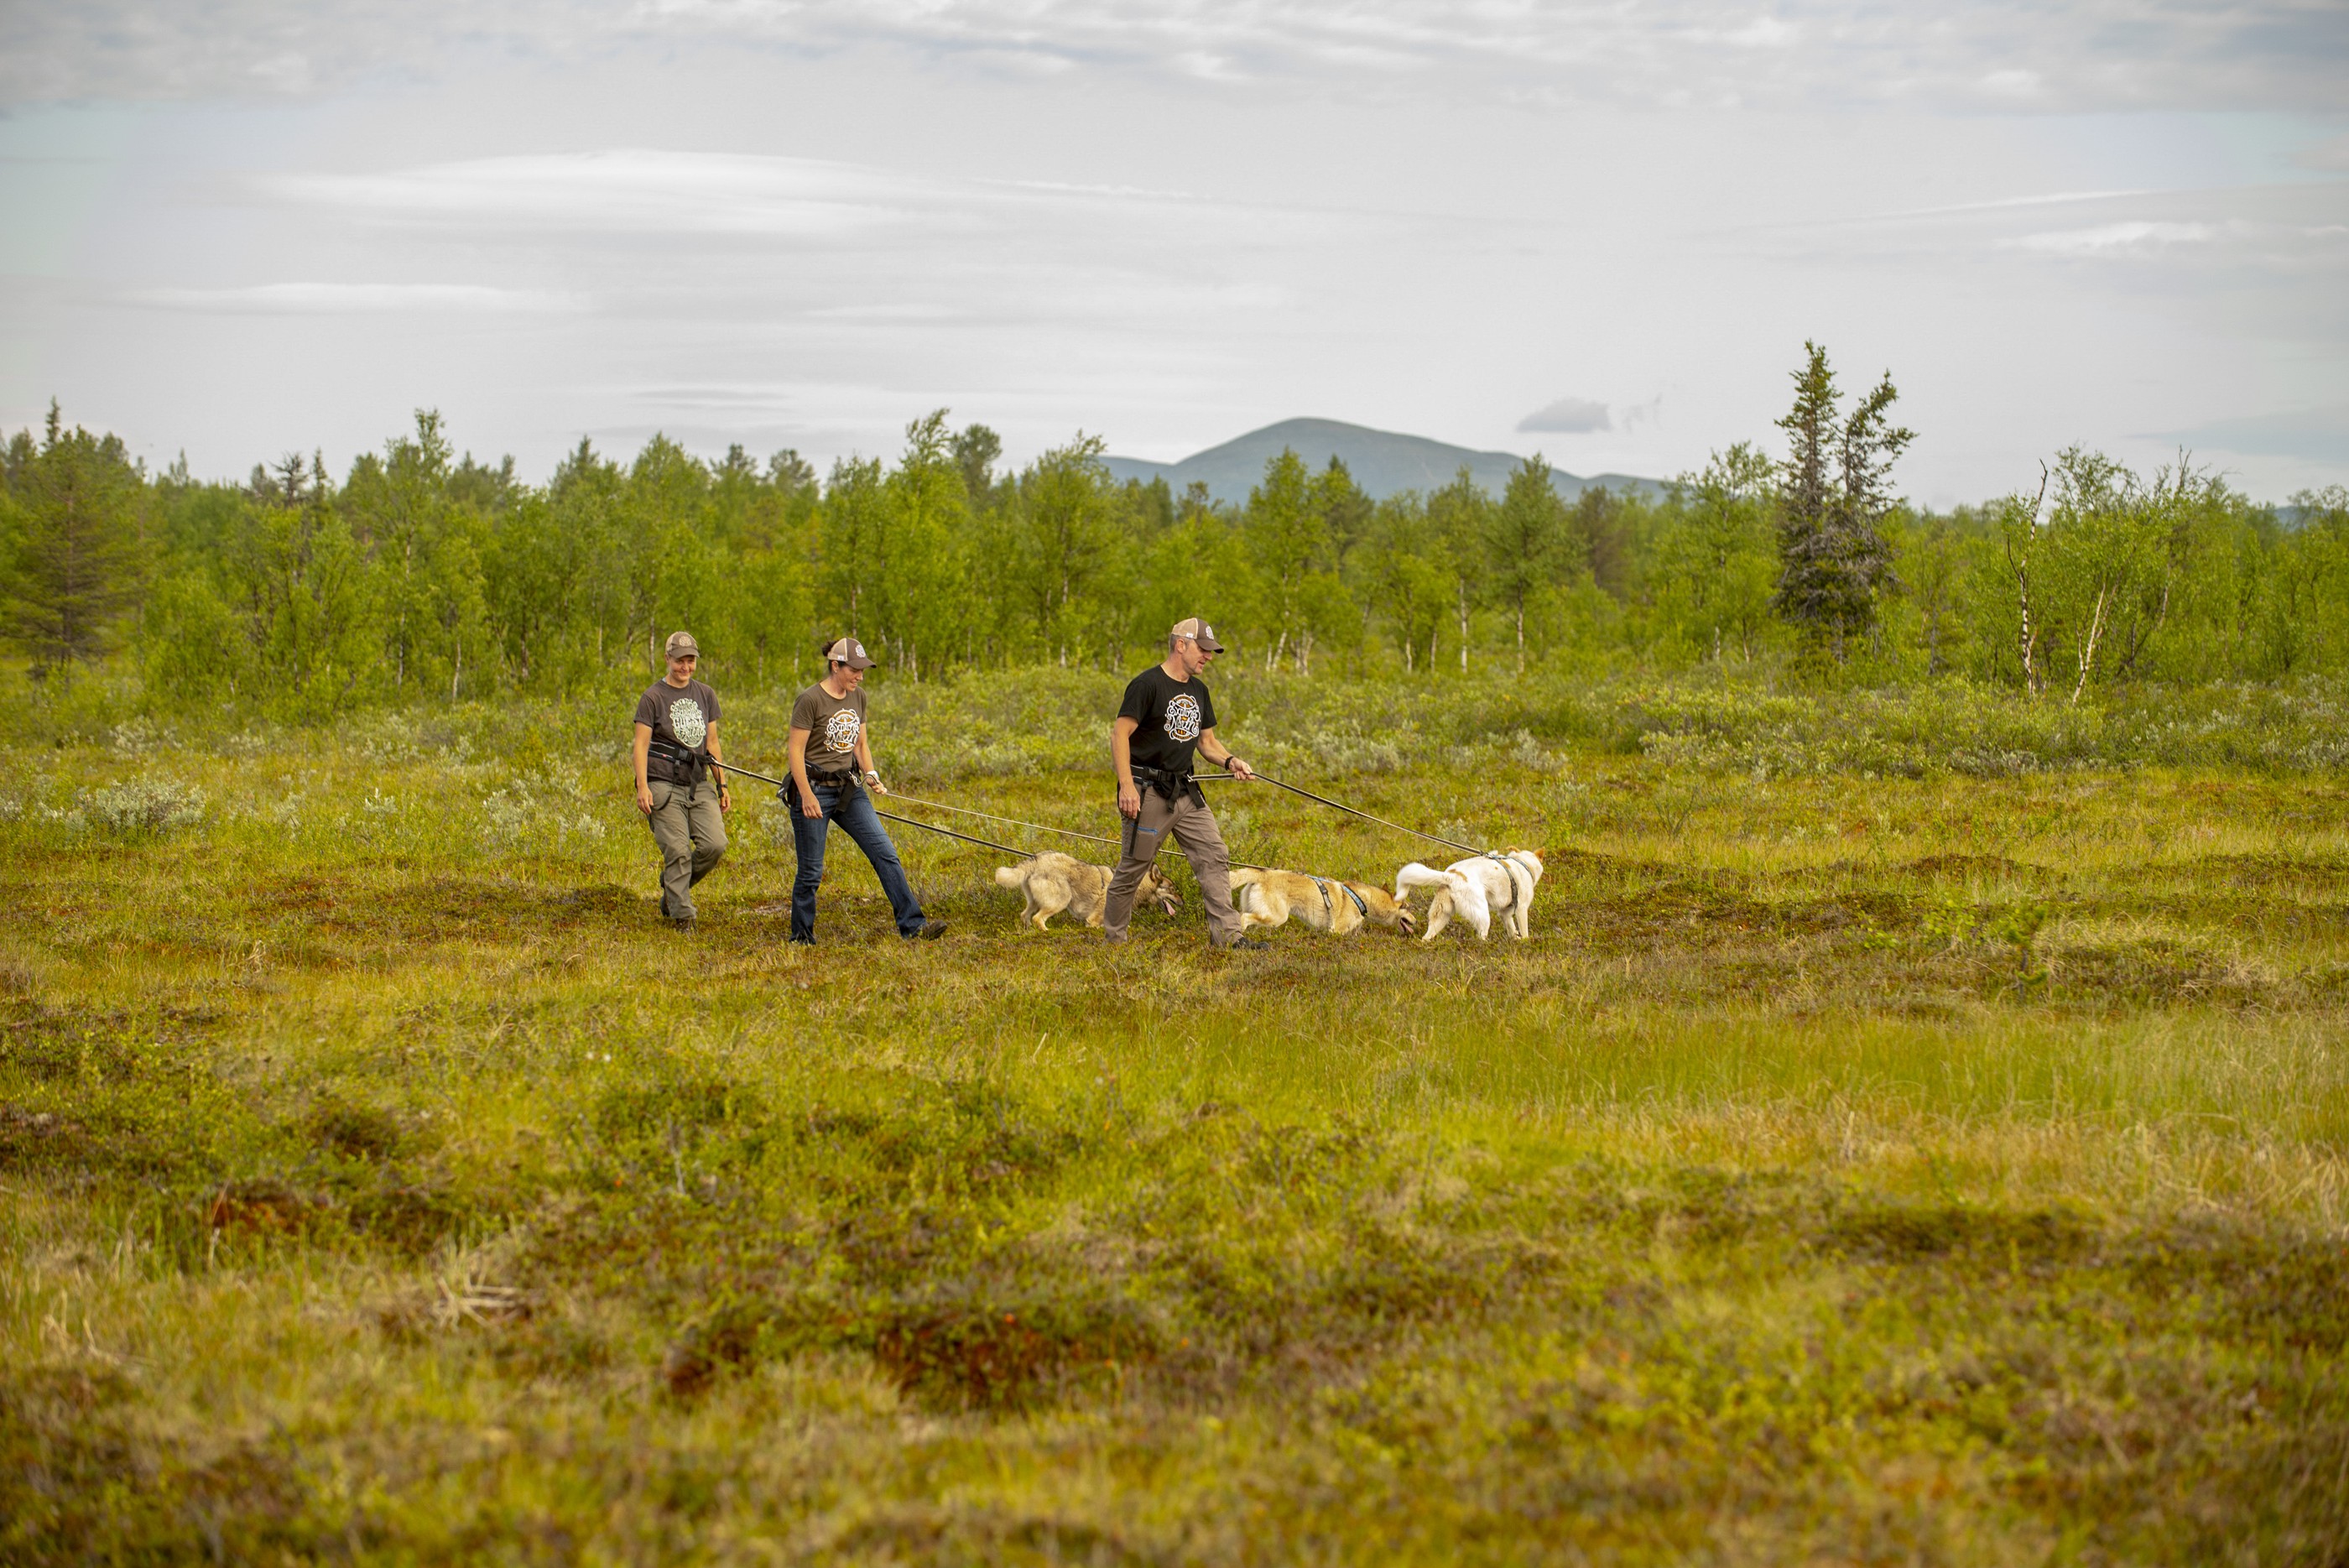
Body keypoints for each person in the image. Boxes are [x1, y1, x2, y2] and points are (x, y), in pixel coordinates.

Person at [1102, 617, 1263, 950]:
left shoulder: (1199, 691)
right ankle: (1114, 942)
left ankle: (1229, 937)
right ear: (1180, 645)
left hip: (1186, 792)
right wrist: (1127, 787)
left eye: (1211, 651)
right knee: (1135, 868)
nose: (1209, 657)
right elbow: (1120, 735)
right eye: (1203, 649)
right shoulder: (1146, 685)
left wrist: (1231, 761)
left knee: (1214, 855)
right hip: (1146, 793)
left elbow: (1207, 743)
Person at [784, 636, 947, 945]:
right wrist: (806, 795)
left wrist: (870, 773)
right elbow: (795, 751)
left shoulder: (858, 697)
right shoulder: (809, 700)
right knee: (811, 871)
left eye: (862, 670)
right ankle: (801, 937)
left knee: (885, 853)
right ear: (836, 666)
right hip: (814, 789)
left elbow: (860, 744)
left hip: (849, 790)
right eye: (854, 670)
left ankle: (913, 926)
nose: (860, 676)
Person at [633, 630, 730, 931]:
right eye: (679, 661)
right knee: (676, 850)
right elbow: (640, 745)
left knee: (715, 845)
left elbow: (712, 742)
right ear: (667, 659)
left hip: (697, 783)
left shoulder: (706, 694)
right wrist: (642, 786)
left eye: (691, 661)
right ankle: (683, 917)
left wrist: (722, 784)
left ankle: (673, 888)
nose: (685, 667)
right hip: (662, 782)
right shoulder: (652, 697)